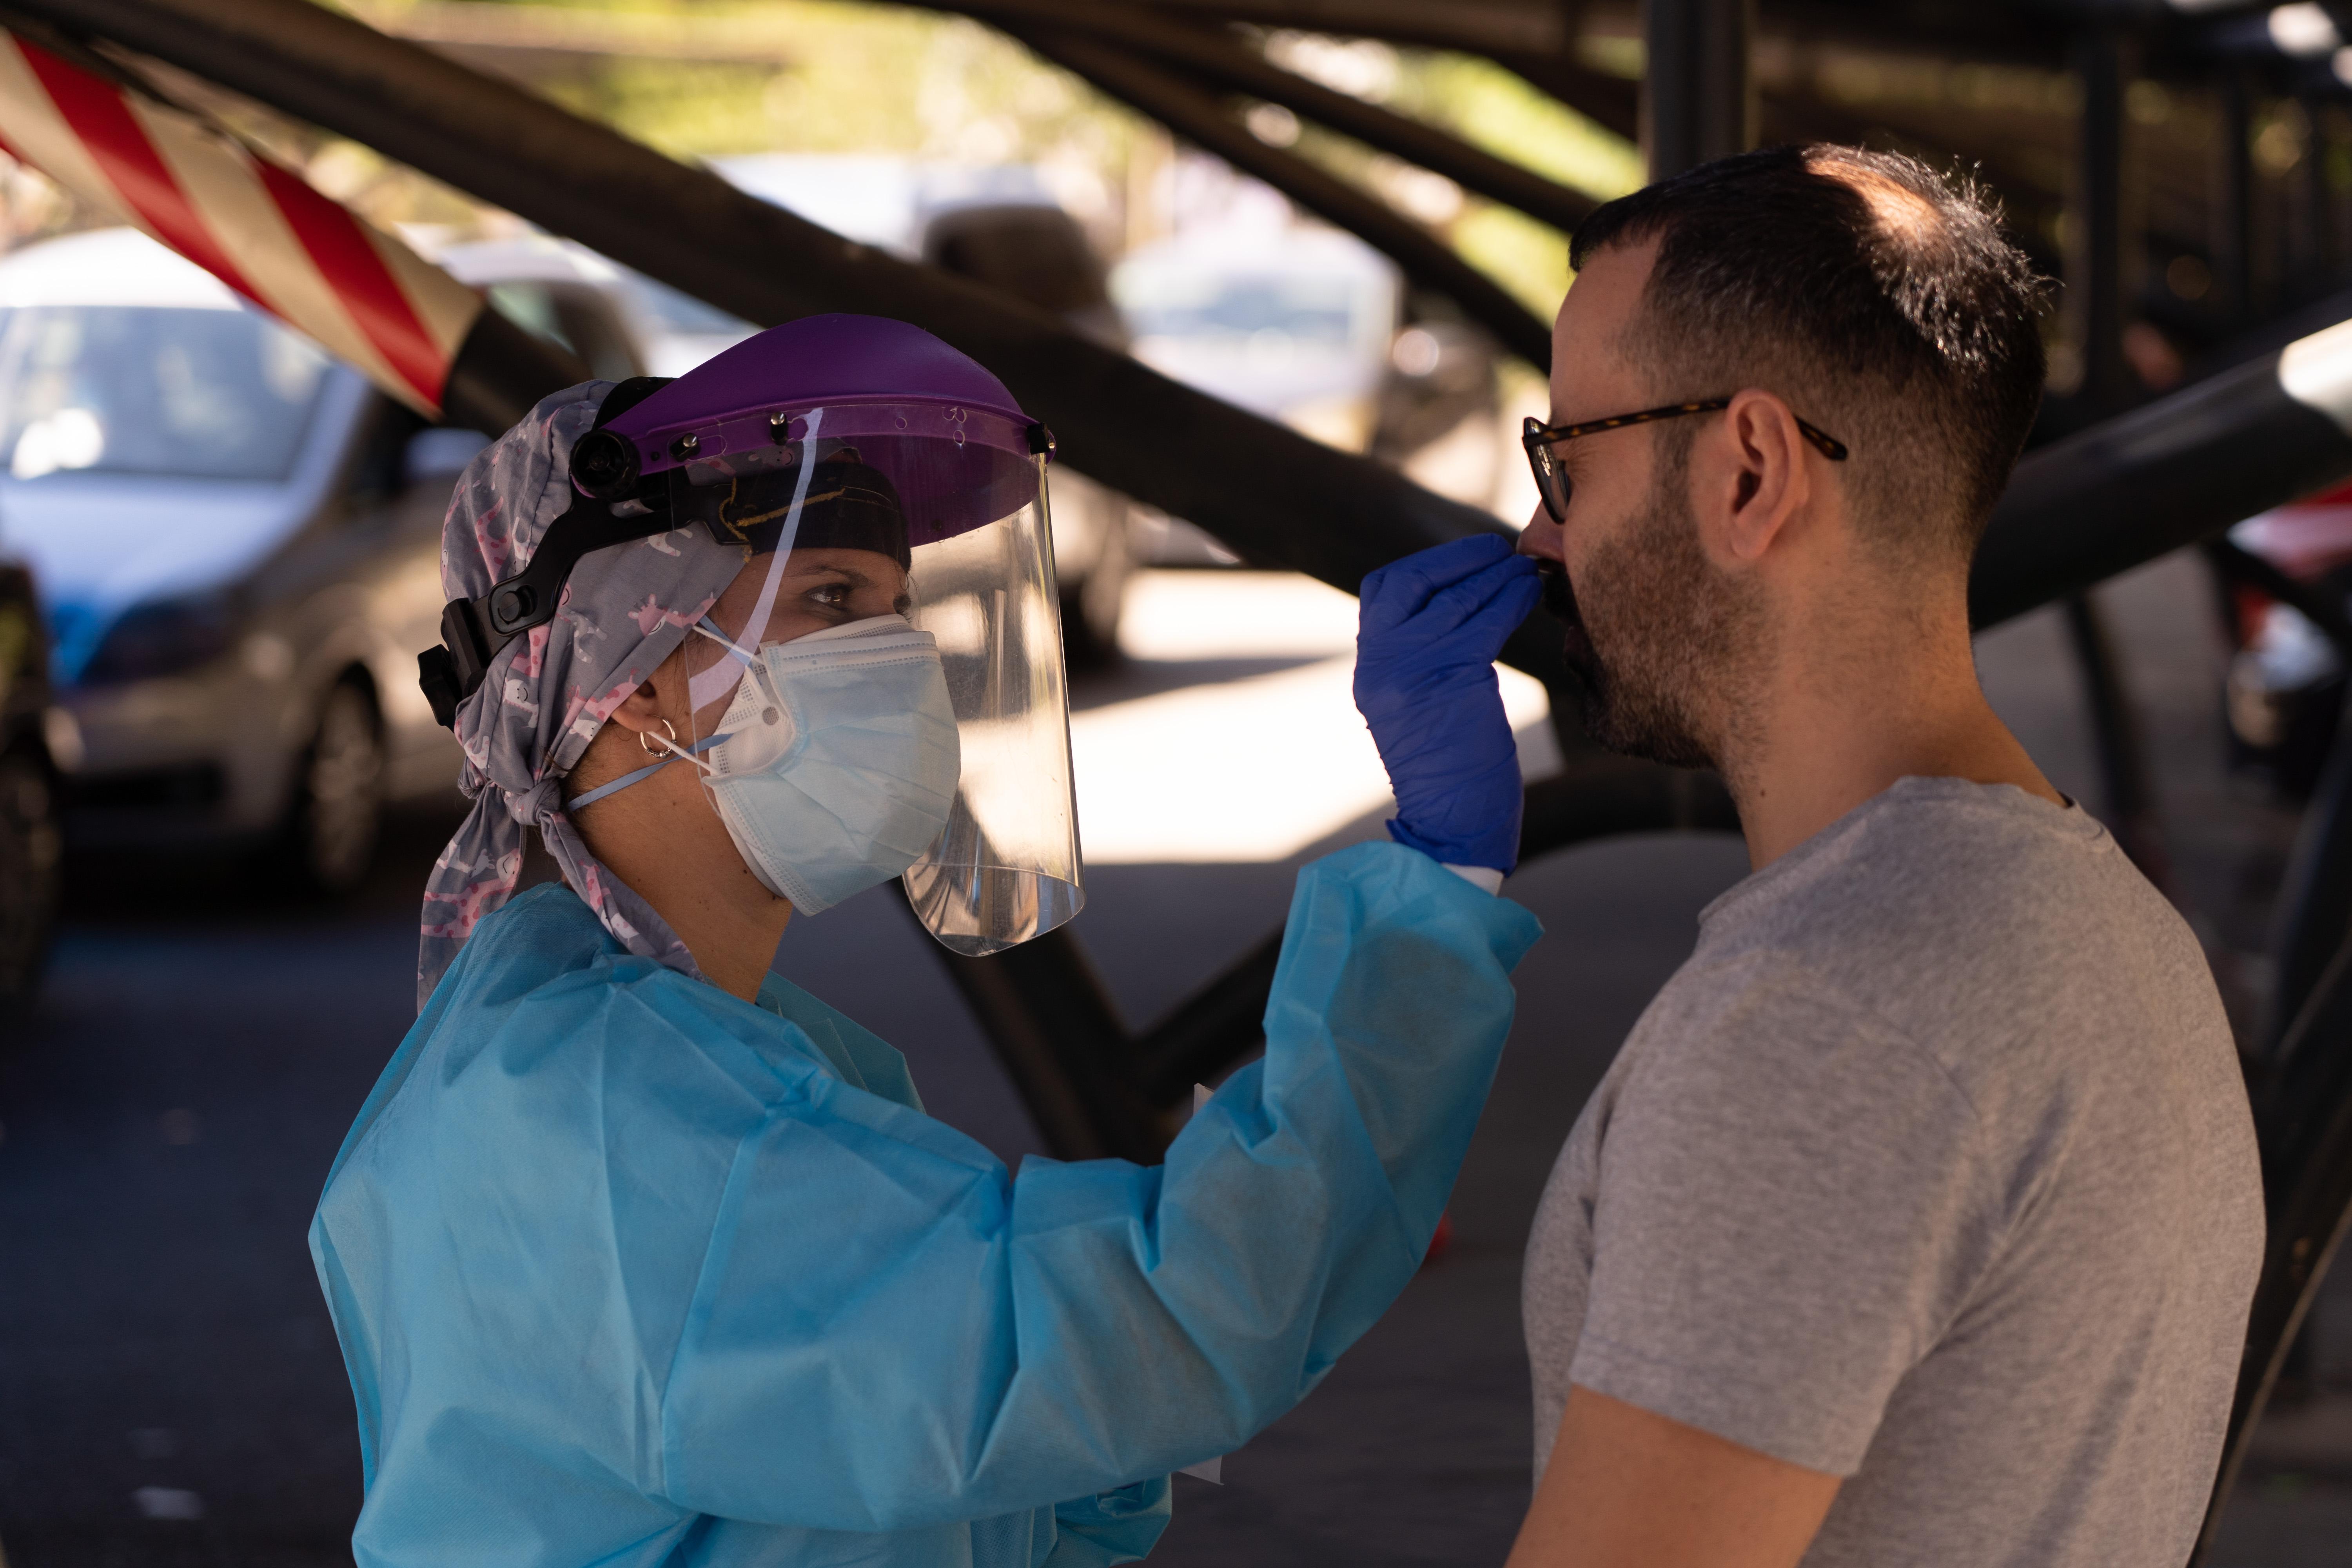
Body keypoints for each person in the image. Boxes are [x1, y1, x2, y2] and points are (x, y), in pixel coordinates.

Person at [308, 312, 1546, 1566]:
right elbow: (1160, 1326)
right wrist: (1437, 892)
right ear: (616, 680)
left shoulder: (680, 1053)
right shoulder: (609, 1122)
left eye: (900, 608)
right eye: (831, 601)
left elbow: (1005, 1477)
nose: (898, 660)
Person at [1490, 147, 2263, 1566]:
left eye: (1563, 461)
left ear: (1749, 472)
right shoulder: (2110, 926)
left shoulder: (1823, 1021)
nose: (1539, 536)